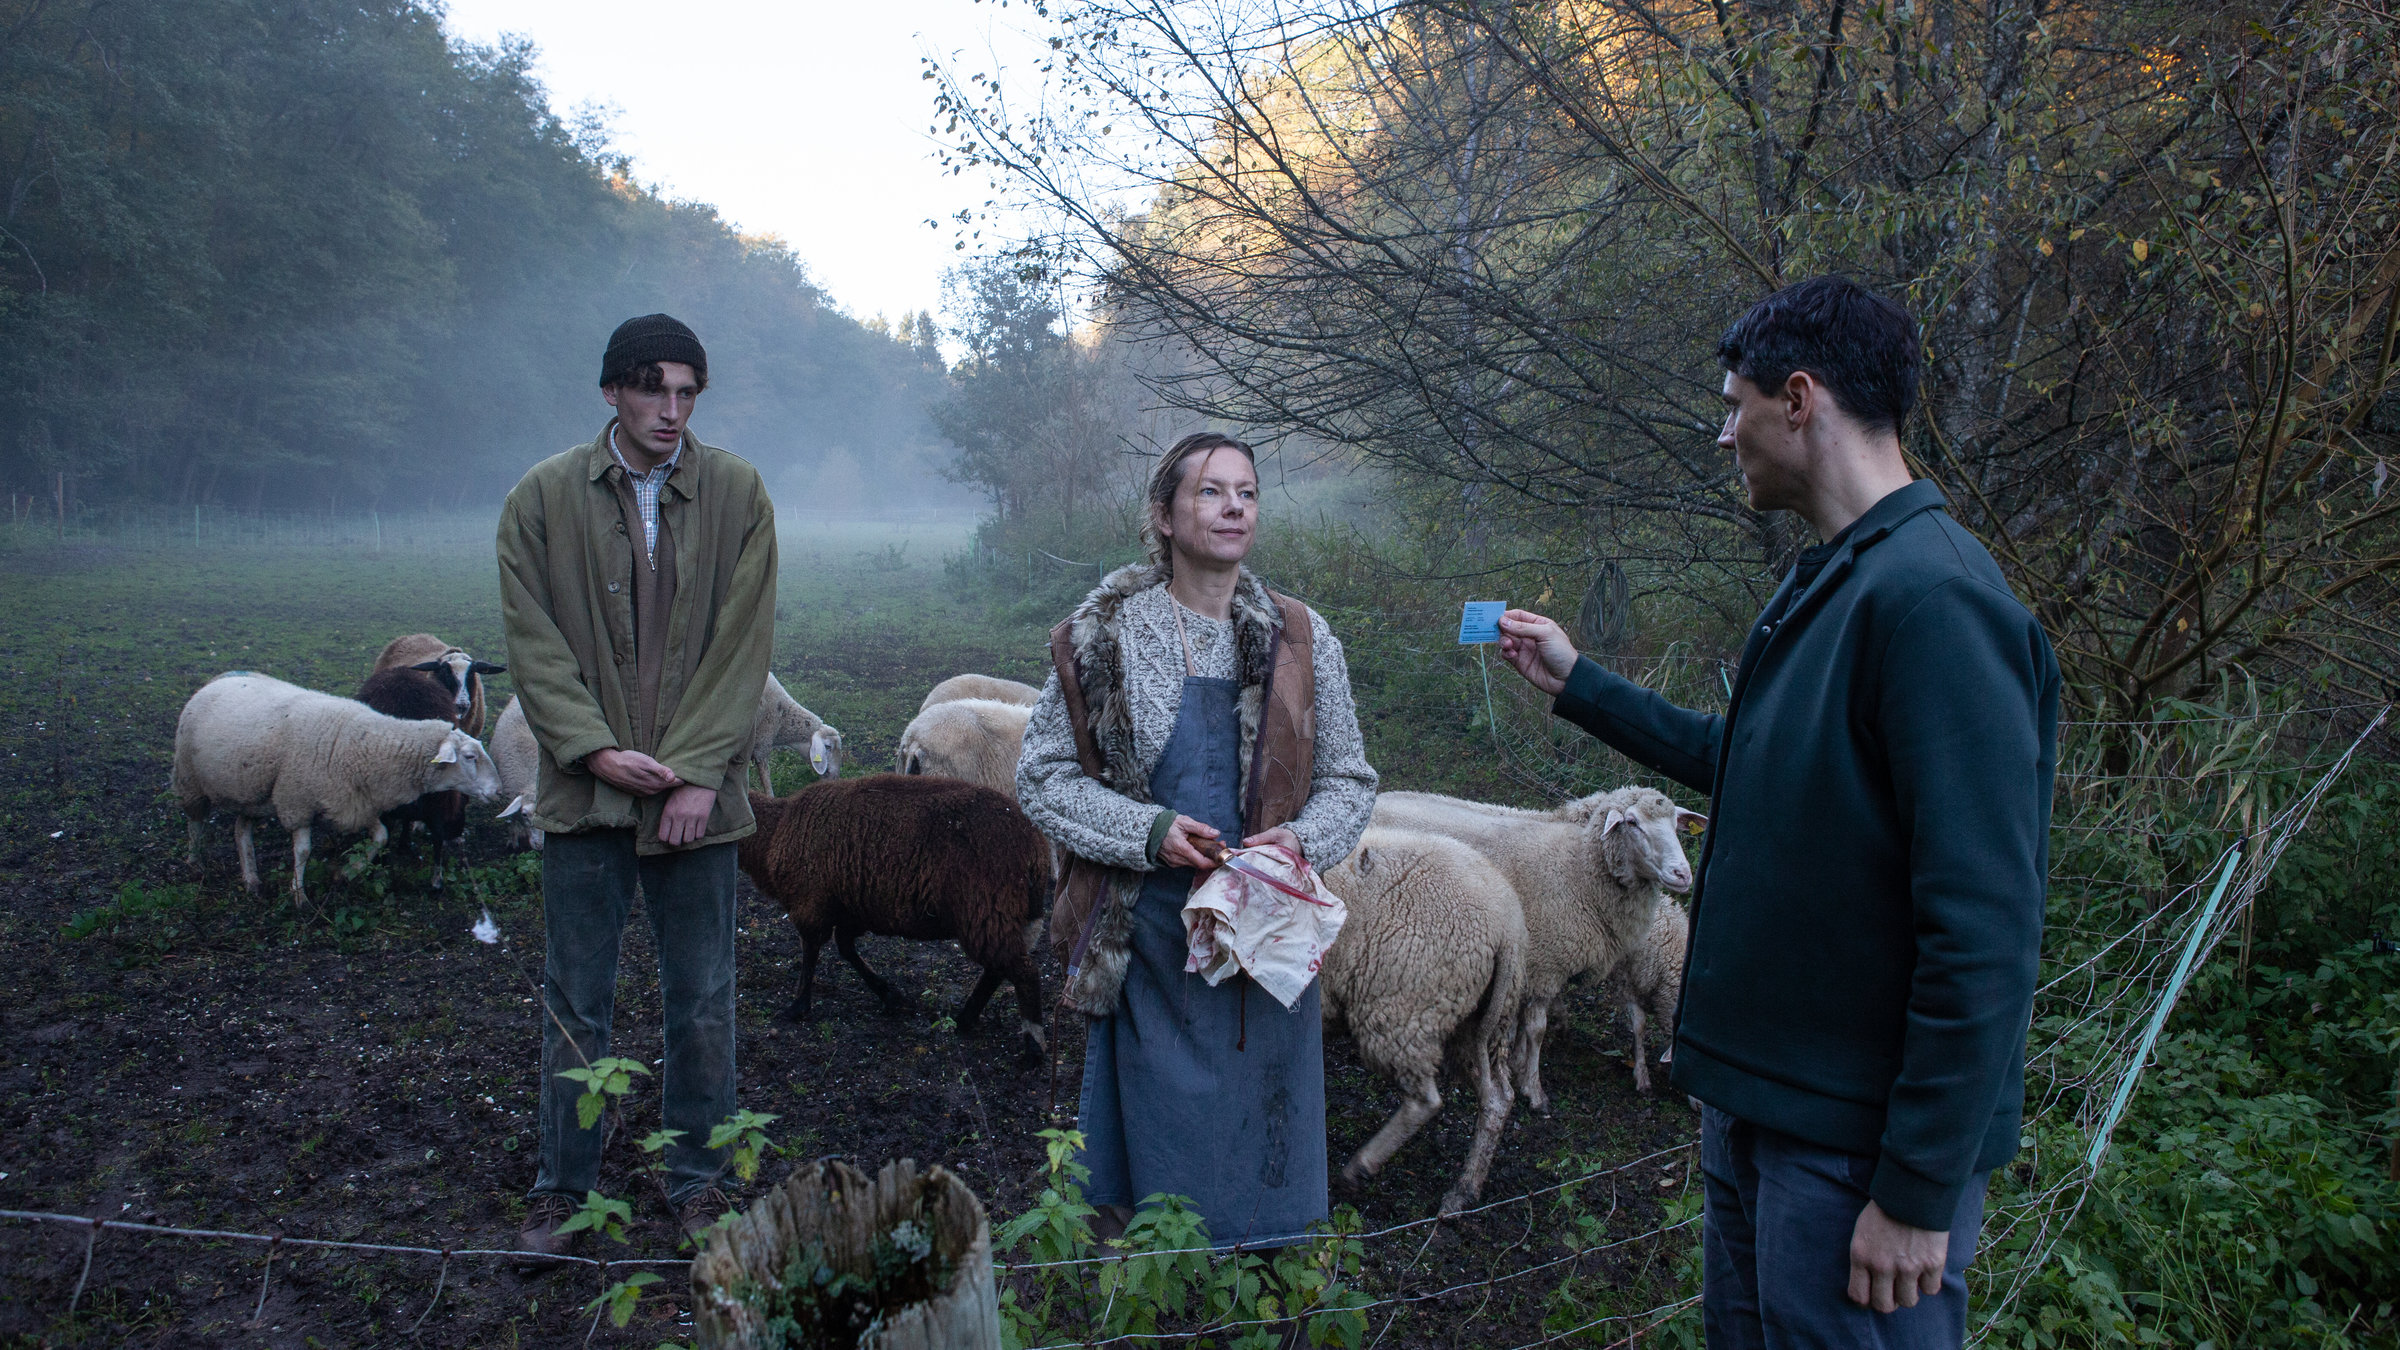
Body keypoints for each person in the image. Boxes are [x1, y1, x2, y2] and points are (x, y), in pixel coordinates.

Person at [1495, 277, 2059, 1348]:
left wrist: (1917, 1189)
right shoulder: (1835, 582)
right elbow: (1751, 766)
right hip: (1766, 1117)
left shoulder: (1936, 604)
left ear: (1798, 400)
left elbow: (1985, 927)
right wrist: (1581, 683)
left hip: (1851, 1157)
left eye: (1734, 405)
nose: (1723, 435)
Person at [1018, 431, 1378, 1248]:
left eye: (1246, 492)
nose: (1234, 507)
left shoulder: (1302, 639)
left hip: (1266, 937)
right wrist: (1147, 831)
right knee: (1158, 1127)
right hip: (1149, 941)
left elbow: (1351, 779)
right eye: (1211, 491)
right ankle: (1155, 1270)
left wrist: (1298, 844)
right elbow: (1041, 777)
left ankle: (1267, 1256)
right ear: (1165, 514)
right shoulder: (1105, 637)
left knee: (1265, 1114)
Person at [497, 313, 779, 1255]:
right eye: (654, 388)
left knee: (702, 998)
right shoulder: (540, 500)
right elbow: (533, 645)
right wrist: (592, 752)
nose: (672, 409)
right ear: (612, 390)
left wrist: (698, 775)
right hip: (585, 799)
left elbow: (744, 645)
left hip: (700, 803)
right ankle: (563, 1188)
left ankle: (698, 1184)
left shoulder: (738, 493)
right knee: (576, 998)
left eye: (688, 391)